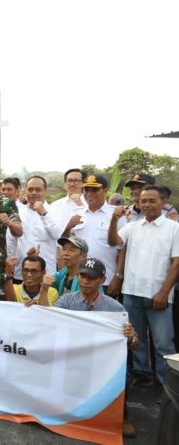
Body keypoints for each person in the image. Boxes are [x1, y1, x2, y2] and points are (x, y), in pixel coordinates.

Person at [53, 257, 139, 437]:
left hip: (102, 360)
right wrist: (34, 309)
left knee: (123, 373)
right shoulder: (66, 301)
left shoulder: (115, 308)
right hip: (73, 355)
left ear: (102, 280)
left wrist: (131, 337)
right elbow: (49, 320)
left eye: (90, 278)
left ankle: (122, 415)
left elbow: (134, 345)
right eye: (82, 276)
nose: (85, 281)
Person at [108, 185, 179, 386]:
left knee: (163, 343)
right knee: (136, 339)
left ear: (164, 202)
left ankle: (167, 385)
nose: (146, 204)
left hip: (158, 295)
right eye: (143, 200)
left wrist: (164, 292)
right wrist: (113, 220)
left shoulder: (174, 228)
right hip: (131, 293)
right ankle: (142, 375)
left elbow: (176, 263)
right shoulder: (132, 226)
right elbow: (113, 241)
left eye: (151, 200)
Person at [63, 174, 124, 289]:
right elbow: (66, 243)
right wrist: (68, 227)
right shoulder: (76, 212)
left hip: (106, 278)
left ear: (105, 190)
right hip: (79, 278)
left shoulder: (117, 214)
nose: (89, 193)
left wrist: (118, 277)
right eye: (86, 190)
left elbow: (122, 249)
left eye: (94, 190)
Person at [6, 176, 61, 281]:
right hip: (21, 272)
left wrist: (44, 214)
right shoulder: (18, 212)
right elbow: (11, 239)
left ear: (45, 191)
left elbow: (57, 235)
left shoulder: (55, 211)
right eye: (30, 189)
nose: (34, 193)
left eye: (38, 190)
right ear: (25, 191)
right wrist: (10, 261)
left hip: (46, 273)